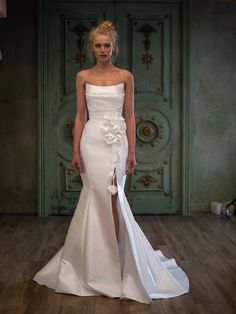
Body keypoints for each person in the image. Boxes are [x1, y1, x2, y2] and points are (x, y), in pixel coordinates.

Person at [33, 21, 189, 304]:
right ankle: (92, 262)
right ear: (91, 47)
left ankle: (116, 258)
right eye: (98, 45)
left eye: (107, 45)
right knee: (94, 195)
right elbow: (80, 117)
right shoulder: (82, 76)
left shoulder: (126, 76)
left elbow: (130, 116)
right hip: (91, 141)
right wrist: (75, 151)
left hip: (118, 143)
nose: (103, 49)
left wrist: (133, 152)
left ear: (113, 47)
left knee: (114, 197)